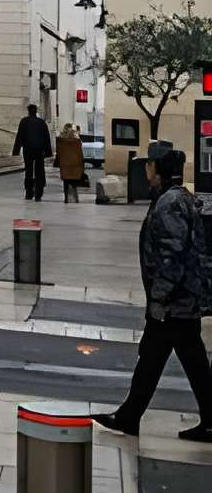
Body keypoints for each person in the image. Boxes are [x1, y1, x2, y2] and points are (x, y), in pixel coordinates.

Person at [96, 148, 212, 445]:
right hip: (179, 301)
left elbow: (172, 256)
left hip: (174, 303)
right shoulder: (172, 198)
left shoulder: (170, 203)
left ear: (158, 168)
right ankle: (130, 415)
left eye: (149, 164)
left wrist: (160, 298)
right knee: (165, 358)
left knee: (164, 358)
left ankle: (130, 416)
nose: (145, 168)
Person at [13, 104, 54, 203]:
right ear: (36, 111)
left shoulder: (24, 122)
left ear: (28, 111)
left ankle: (29, 192)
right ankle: (38, 193)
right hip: (39, 150)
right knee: (39, 171)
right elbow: (46, 138)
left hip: (28, 150)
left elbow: (19, 136)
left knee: (28, 171)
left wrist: (16, 150)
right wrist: (48, 152)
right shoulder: (41, 123)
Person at [56, 122, 86, 206]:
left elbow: (59, 153)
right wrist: (82, 165)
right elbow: (80, 154)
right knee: (74, 182)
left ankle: (66, 198)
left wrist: (58, 162)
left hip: (65, 164)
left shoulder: (61, 141)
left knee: (66, 182)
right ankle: (74, 198)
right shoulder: (77, 141)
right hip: (74, 164)